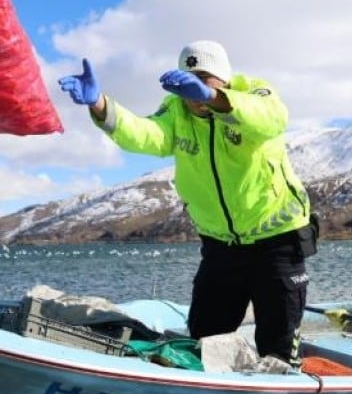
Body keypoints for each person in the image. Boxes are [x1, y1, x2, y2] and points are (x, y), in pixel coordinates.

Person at [57, 40, 317, 366]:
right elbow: (146, 133)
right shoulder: (176, 111)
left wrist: (214, 99)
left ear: (223, 79)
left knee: (277, 345)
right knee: (204, 339)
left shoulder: (254, 93)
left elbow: (270, 119)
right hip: (221, 247)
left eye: (204, 80)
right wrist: (99, 105)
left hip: (277, 242)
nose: (193, 95)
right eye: (188, 83)